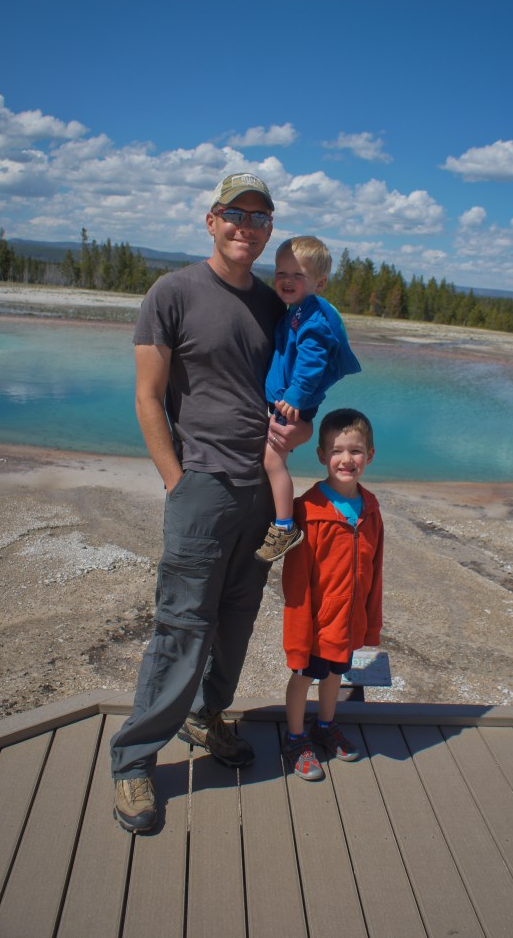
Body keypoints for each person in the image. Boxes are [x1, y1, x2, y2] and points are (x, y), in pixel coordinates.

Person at [110, 172, 312, 833]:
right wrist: (176, 478)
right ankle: (135, 762)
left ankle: (206, 715)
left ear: (269, 229)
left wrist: (302, 429)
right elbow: (147, 396)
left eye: (258, 217)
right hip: (201, 488)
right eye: (234, 213)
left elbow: (293, 394)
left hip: (262, 494)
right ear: (210, 220)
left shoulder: (275, 306)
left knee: (235, 620)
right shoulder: (171, 293)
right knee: (182, 626)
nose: (244, 226)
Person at [280, 408, 383, 780]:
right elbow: (295, 582)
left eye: (355, 451)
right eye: (337, 451)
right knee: (304, 676)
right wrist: (298, 630)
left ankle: (325, 725)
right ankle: (294, 736)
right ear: (322, 455)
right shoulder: (307, 510)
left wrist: (370, 621)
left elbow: (375, 570)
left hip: (348, 620)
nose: (346, 459)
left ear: (369, 455)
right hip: (315, 623)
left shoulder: (370, 508)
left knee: (336, 675)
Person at [254, 237, 361, 563]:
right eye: (280, 272)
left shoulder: (312, 318)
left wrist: (294, 397)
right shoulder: (299, 310)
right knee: (271, 459)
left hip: (292, 402)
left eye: (297, 275)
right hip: (288, 399)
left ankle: (284, 525)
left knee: (273, 461)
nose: (287, 280)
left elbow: (312, 362)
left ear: (320, 282)